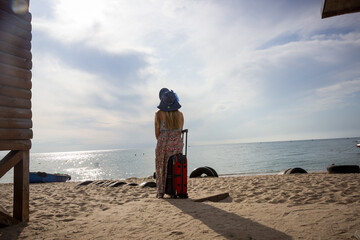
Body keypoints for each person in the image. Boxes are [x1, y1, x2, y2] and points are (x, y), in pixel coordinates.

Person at [154, 88, 184, 198]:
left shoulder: (158, 114)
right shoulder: (180, 115)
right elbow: (180, 131)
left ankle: (161, 192)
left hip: (163, 142)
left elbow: (157, 133)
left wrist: (164, 140)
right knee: (175, 165)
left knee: (161, 167)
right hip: (176, 142)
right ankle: (175, 190)